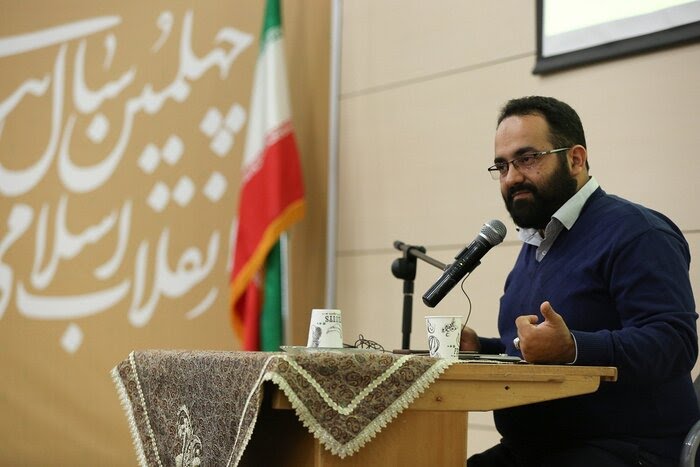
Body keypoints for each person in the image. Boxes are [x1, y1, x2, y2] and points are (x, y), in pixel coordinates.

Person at [461, 96, 698, 467]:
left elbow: (675, 342)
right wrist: (482, 348)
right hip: (533, 449)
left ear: (575, 159)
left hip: (626, 449)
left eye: (527, 158)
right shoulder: (537, 244)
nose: (512, 177)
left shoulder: (638, 232)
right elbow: (541, 349)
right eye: (502, 166)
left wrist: (573, 347)